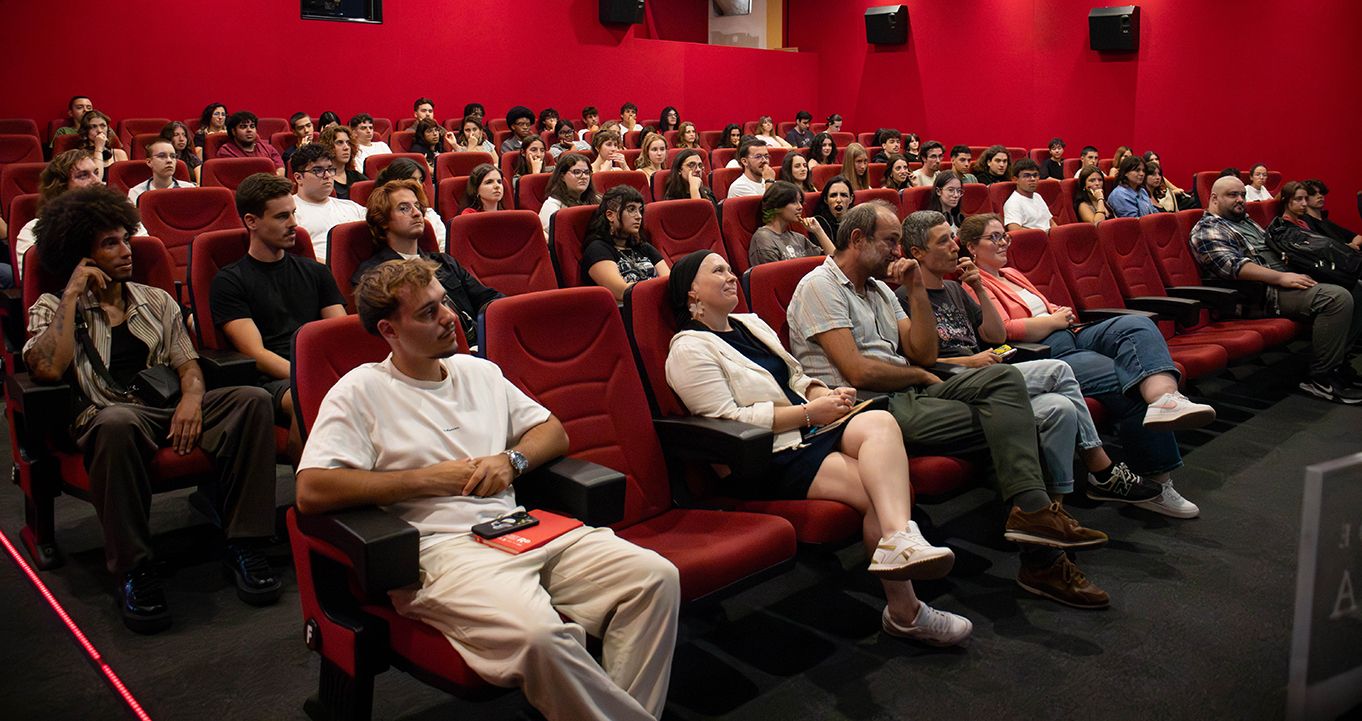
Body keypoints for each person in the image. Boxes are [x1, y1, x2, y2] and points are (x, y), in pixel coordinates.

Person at [297, 257, 677, 721]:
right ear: (389, 331)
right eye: (427, 313)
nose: (448, 318)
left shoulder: (478, 371)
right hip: (440, 551)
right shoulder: (359, 391)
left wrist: (512, 461)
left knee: (655, 578)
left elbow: (552, 431)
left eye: (444, 303)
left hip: (519, 528)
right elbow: (311, 490)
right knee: (541, 637)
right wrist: (427, 479)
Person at [787, 201, 1112, 608]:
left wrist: (917, 289)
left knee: (1004, 377)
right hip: (870, 410)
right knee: (1015, 422)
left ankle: (1033, 518)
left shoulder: (882, 290)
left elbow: (922, 352)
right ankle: (1040, 547)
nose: (898, 252)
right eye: (890, 242)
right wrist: (920, 375)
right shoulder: (820, 286)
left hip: (912, 390)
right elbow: (858, 372)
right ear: (858, 239)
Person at [665, 250, 970, 645]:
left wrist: (821, 390)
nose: (730, 276)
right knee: (875, 491)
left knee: (879, 420)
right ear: (691, 293)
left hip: (807, 432)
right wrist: (810, 413)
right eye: (717, 271)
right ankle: (905, 611)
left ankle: (899, 540)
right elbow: (726, 420)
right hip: (766, 456)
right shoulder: (688, 348)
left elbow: (794, 373)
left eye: (729, 268)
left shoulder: (749, 325)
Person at [25, 185, 280, 634]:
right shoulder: (53, 306)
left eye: (126, 238)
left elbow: (188, 363)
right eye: (111, 243)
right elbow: (46, 368)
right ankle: (134, 569)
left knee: (251, 399)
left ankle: (245, 542)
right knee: (117, 420)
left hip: (166, 409)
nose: (127, 250)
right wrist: (70, 297)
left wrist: (192, 400)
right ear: (79, 255)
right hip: (108, 418)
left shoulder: (156, 299)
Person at [906, 211, 1171, 507]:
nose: (954, 246)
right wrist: (968, 362)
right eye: (945, 242)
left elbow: (992, 335)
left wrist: (978, 287)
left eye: (952, 239)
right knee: (1068, 371)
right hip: (963, 378)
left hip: (996, 365)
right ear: (918, 253)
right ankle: (1103, 470)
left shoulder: (957, 288)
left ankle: (1053, 507)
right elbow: (921, 359)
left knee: (1062, 407)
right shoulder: (906, 298)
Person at [959, 213, 1210, 515]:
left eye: (1004, 236)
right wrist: (1052, 319)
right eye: (994, 237)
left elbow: (1046, 305)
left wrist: (1056, 313)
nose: (1003, 243)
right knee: (1129, 384)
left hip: (1071, 332)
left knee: (1139, 327)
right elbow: (1004, 329)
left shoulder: (1012, 273)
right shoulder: (973, 285)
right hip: (1044, 352)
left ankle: (1165, 399)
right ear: (972, 246)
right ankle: (1158, 482)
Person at [1191, 176, 1362, 403]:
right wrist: (1282, 277)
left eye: (1242, 194)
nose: (1241, 200)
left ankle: (1338, 364)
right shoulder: (1207, 228)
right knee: (1336, 298)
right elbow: (1232, 266)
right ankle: (1321, 378)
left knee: (1357, 288)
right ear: (1213, 198)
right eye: (1233, 195)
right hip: (1261, 293)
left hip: (1286, 280)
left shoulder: (1246, 221)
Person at [211, 173, 347, 458]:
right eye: (282, 217)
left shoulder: (316, 272)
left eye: (294, 213)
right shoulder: (230, 281)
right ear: (252, 221)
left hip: (320, 371)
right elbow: (256, 354)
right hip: (270, 379)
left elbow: (339, 335)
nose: (294, 224)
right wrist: (310, 377)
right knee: (312, 397)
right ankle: (310, 490)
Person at [354, 180, 503, 346]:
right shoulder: (373, 275)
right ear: (382, 220)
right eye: (404, 208)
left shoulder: (443, 261)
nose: (417, 213)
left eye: (417, 206)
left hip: (476, 342)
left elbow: (488, 298)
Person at [16, 150, 128, 281]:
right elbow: (31, 283)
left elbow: (144, 259)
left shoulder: (121, 219)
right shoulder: (32, 231)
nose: (97, 181)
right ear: (61, 187)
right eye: (83, 176)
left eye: (96, 173)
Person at [581, 186, 669, 302]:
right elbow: (622, 292)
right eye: (631, 209)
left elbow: (669, 281)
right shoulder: (597, 249)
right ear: (610, 215)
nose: (639, 216)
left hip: (655, 306)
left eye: (640, 210)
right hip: (626, 313)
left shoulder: (643, 246)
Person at [289, 144, 365, 261]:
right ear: (299, 178)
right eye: (318, 170)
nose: (328, 175)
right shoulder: (290, 212)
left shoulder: (351, 207)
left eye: (330, 169)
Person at [749, 181, 834, 266]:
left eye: (800, 201)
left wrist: (818, 231)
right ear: (777, 206)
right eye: (793, 202)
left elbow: (835, 262)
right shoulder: (763, 239)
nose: (800, 207)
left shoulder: (798, 238)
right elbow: (772, 277)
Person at [374, 158, 448, 247]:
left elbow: (444, 245)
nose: (419, 185)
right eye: (412, 180)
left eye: (420, 180)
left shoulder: (429, 213)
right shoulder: (382, 213)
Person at [539, 153, 599, 238]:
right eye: (577, 172)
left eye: (586, 172)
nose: (584, 177)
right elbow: (556, 240)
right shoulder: (552, 205)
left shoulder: (596, 200)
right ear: (562, 176)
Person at [127, 137, 195, 207]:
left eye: (173, 156)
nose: (169, 160)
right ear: (149, 162)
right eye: (162, 156)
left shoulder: (189, 189)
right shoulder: (136, 193)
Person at [217, 111, 285, 175]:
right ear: (233, 131)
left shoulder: (268, 148)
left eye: (252, 126)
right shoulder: (226, 151)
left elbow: (280, 169)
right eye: (243, 127)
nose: (249, 130)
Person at [1302, 179, 1362, 249]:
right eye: (1313, 193)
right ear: (1304, 198)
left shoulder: (1326, 222)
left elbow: (1358, 237)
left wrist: (1352, 245)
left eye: (1321, 193)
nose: (1320, 196)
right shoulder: (1305, 222)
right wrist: (1346, 247)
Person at [1003, 159, 1055, 232]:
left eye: (1035, 175)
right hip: (1033, 240)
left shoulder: (1037, 196)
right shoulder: (1013, 202)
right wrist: (1043, 235)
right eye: (1027, 176)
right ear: (1015, 180)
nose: (1032, 179)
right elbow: (1015, 230)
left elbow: (1051, 222)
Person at [320, 125, 366, 201]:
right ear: (328, 147)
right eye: (339, 142)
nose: (346, 147)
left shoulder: (358, 178)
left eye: (348, 143)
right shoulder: (321, 180)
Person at [79, 110, 127, 180]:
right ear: (86, 131)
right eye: (93, 126)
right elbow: (96, 180)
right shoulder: (80, 156)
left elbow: (125, 181)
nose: (100, 130)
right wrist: (99, 148)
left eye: (103, 126)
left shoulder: (119, 154)